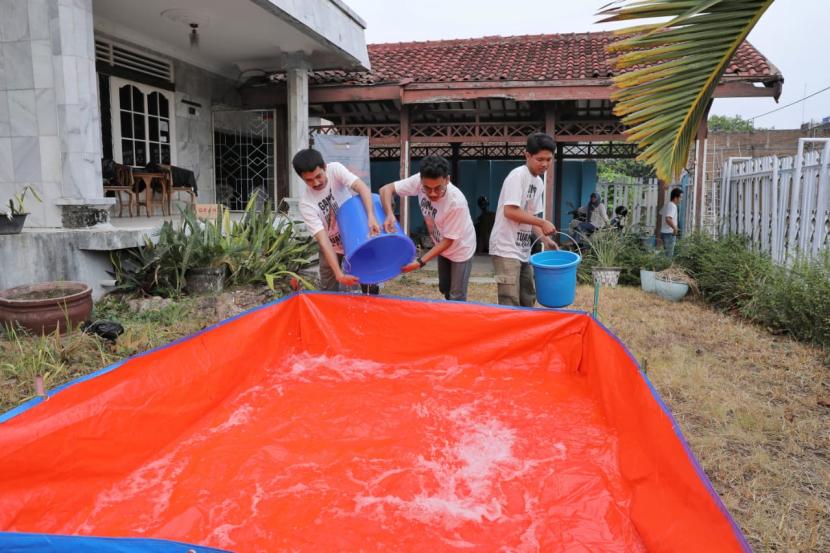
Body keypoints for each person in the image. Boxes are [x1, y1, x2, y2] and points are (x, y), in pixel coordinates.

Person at [379, 155, 476, 301]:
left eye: (438, 189)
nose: (432, 194)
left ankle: (456, 319)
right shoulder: (418, 181)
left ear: (447, 180)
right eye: (427, 188)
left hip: (460, 248)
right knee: (444, 287)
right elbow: (385, 190)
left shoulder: (456, 202)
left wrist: (419, 262)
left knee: (457, 295)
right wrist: (389, 215)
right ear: (421, 181)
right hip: (441, 244)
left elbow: (448, 241)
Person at [292, 148, 380, 293]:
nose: (315, 183)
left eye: (318, 176)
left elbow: (362, 188)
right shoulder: (306, 203)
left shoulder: (335, 169)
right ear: (302, 178)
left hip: (354, 237)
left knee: (369, 280)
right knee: (328, 288)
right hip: (331, 245)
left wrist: (371, 216)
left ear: (325, 167)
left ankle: (371, 304)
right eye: (308, 180)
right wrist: (339, 274)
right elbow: (323, 241)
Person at [489, 133, 559, 307]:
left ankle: (526, 332)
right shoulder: (517, 176)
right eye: (540, 159)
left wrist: (545, 239)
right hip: (505, 247)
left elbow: (531, 217)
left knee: (527, 295)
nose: (545, 164)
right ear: (527, 155)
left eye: (549, 159)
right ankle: (510, 333)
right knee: (509, 299)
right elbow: (510, 211)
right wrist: (542, 223)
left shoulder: (539, 183)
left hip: (522, 249)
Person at [660, 187, 682, 257]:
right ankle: (667, 267)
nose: (681, 199)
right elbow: (668, 219)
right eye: (680, 197)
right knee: (668, 256)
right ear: (676, 198)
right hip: (669, 234)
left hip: (663, 233)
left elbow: (661, 216)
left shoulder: (666, 205)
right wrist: (675, 229)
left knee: (665, 255)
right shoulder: (673, 206)